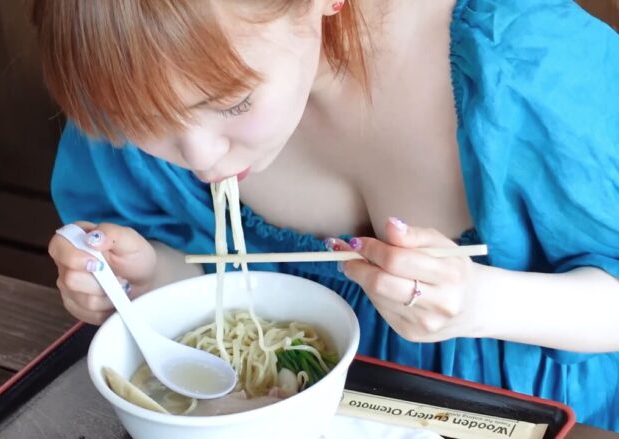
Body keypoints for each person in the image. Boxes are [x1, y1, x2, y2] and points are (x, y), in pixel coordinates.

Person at [32, 0, 619, 429]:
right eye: (147, 124)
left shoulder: (531, 66)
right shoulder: (130, 74)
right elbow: (205, 287)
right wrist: (144, 279)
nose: (201, 158)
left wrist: (477, 302)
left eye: (232, 102)